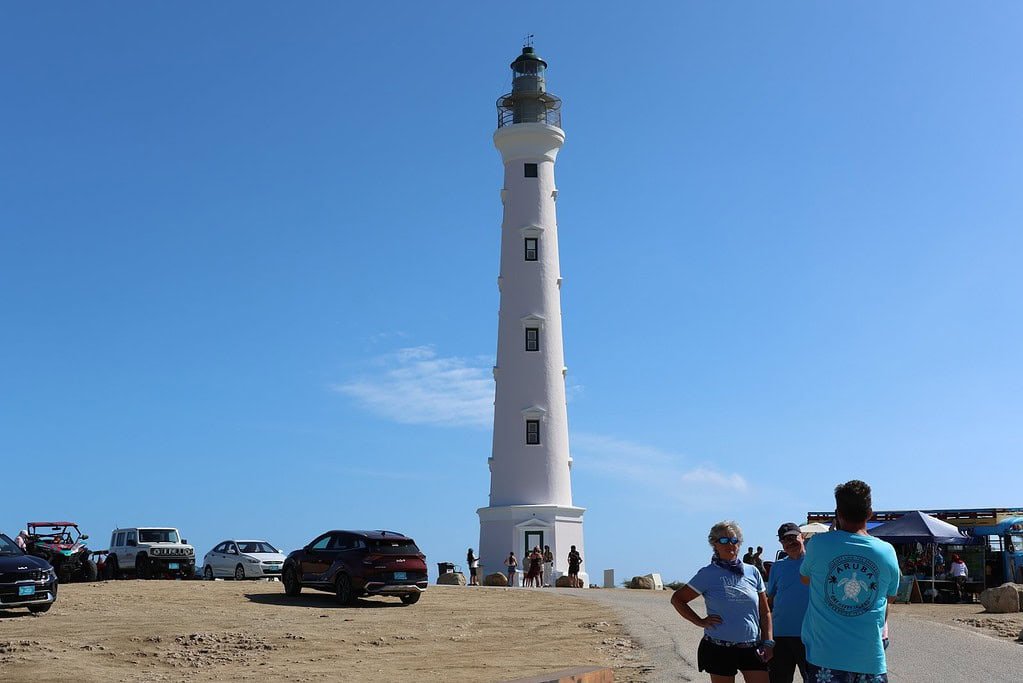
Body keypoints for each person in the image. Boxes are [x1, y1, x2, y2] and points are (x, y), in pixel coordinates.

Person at [800, 480, 900, 682]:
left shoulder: (818, 544)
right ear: (870, 513)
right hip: (869, 659)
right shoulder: (886, 551)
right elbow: (890, 598)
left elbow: (805, 579)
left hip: (825, 658)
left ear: (838, 513)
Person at [671, 520, 773, 682]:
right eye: (723, 540)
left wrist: (768, 642)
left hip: (753, 647)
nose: (730, 544)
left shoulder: (752, 572)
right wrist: (699, 621)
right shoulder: (707, 574)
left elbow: (765, 611)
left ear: (739, 544)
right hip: (719, 648)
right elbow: (678, 599)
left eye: (734, 540)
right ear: (714, 544)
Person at [766, 523, 809, 683]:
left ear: (802, 537)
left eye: (793, 537)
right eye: (785, 540)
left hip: (810, 635)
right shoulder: (777, 567)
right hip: (780, 635)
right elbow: (769, 600)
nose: (790, 543)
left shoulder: (815, 563)